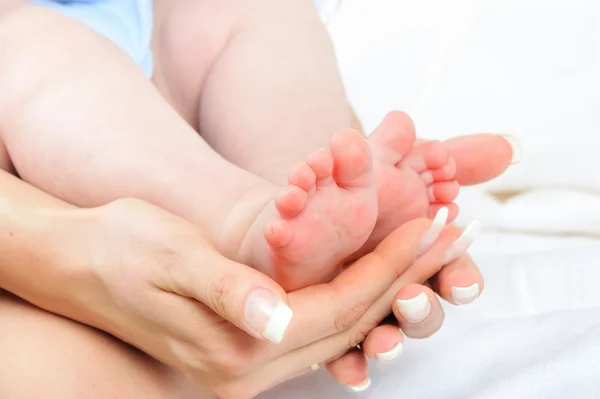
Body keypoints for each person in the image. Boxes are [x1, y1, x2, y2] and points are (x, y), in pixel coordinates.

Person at [0, 0, 474, 292]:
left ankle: (311, 200)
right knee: (21, 43)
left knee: (253, 7)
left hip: (128, 28)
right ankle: (247, 220)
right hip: (22, 132)